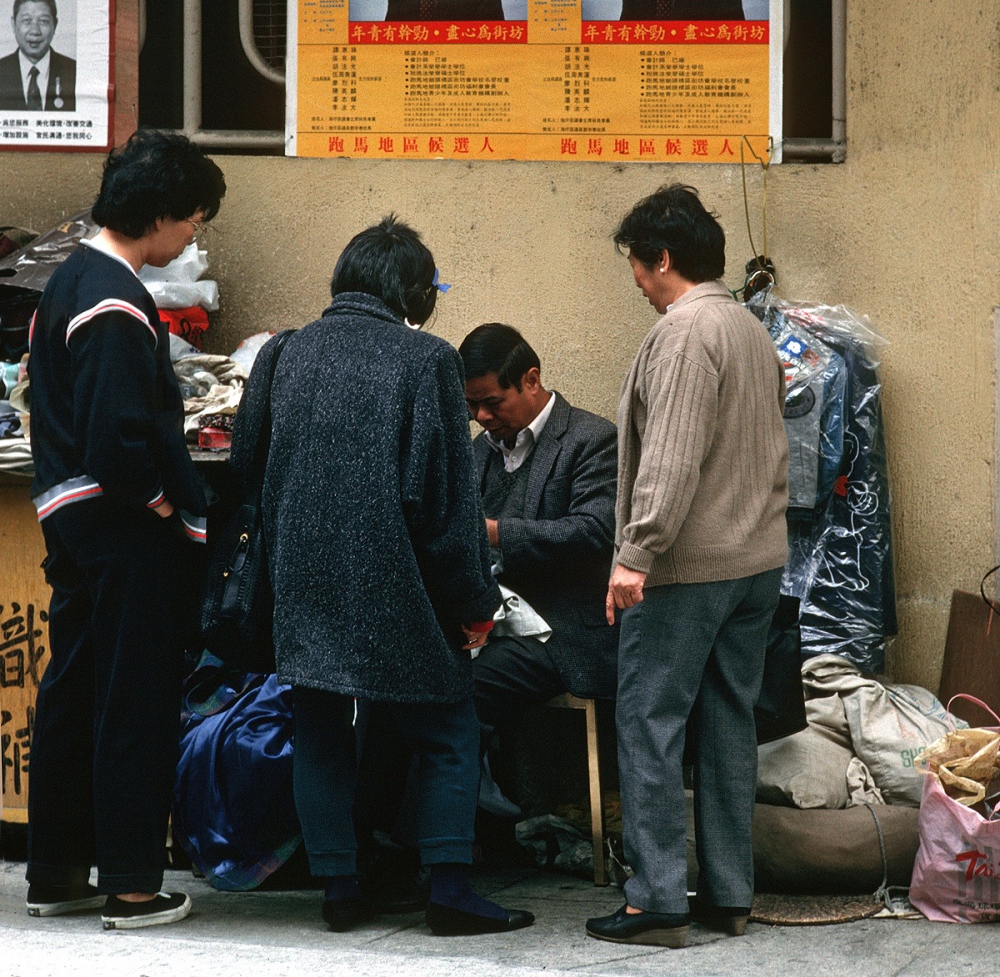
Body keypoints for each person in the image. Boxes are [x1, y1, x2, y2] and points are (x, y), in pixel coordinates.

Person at [261, 216, 533, 937]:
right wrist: (475, 600)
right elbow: (443, 500)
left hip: (303, 576)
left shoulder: (284, 351)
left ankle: (340, 889)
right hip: (394, 577)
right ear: (414, 291)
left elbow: (248, 467)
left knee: (319, 730)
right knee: (448, 727)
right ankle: (449, 890)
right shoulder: (425, 360)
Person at [25, 129, 226, 930]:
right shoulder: (114, 297)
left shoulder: (67, 281)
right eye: (193, 221)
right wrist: (167, 508)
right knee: (132, 698)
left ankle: (57, 872)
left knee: (73, 689)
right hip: (115, 523)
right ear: (162, 215)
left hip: (66, 516)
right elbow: (119, 444)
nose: (192, 237)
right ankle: (135, 884)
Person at [586, 184, 788, 949]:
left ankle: (656, 896)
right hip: (756, 562)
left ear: (662, 259)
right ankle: (729, 893)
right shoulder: (745, 328)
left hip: (686, 566)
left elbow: (669, 458)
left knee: (648, 719)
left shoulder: (683, 333)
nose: (636, 282)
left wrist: (634, 555)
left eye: (636, 267)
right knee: (730, 723)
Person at [459, 324, 618, 762]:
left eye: (492, 403)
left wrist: (493, 532)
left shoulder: (591, 438)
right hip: (494, 623)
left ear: (532, 379)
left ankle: (483, 822)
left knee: (462, 693)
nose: (482, 418)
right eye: (472, 405)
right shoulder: (479, 451)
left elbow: (593, 533)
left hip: (564, 630)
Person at [0, 0, 77, 110]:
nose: (35, 31)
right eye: (26, 21)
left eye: (43, 21)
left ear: (55, 25)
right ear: (13, 24)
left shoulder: (74, 71)